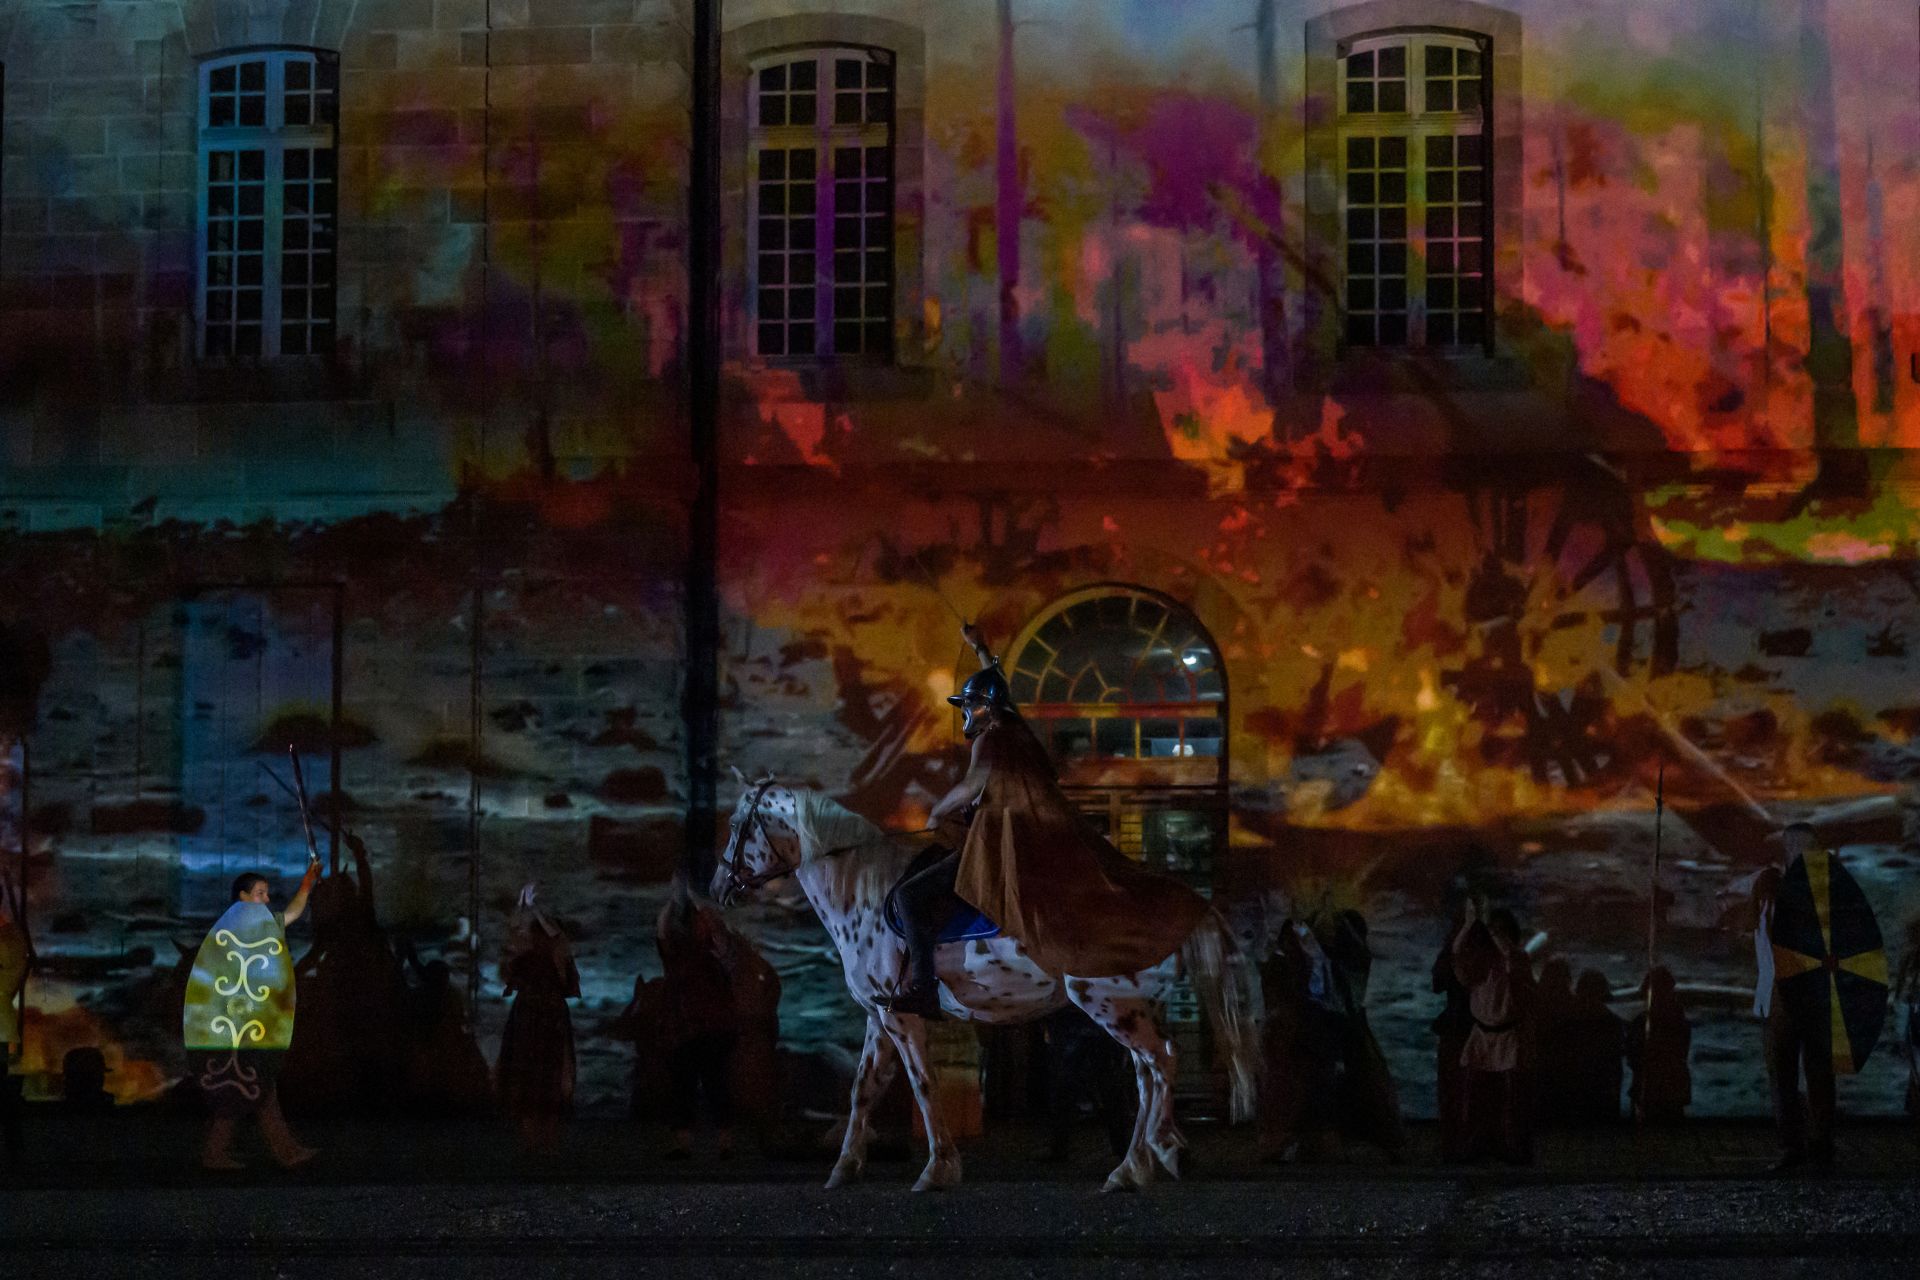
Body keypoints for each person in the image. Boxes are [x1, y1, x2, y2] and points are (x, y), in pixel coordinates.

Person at [877, 622, 1207, 1016]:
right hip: (1031, 842)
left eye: (969, 705)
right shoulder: (1018, 731)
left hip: (1001, 847)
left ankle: (924, 988)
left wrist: (937, 811)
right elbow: (1004, 691)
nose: (966, 712)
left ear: (984, 706)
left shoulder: (991, 737)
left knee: (908, 895)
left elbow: (972, 785)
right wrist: (981, 647)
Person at [189, 867, 320, 1171]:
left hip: (252, 1026)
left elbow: (291, 914)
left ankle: (281, 1151)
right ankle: (225, 1154)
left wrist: (306, 882)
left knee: (256, 1088)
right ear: (243, 897)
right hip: (236, 1027)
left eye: (266, 892)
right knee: (245, 1087)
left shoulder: (261, 928)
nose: (266, 898)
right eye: (260, 893)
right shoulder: (228, 934)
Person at [1749, 821, 1834, 1172]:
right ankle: (1798, 1144)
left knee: (1813, 1072)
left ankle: (1816, 1143)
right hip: (1782, 993)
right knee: (1786, 1072)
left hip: (1808, 992)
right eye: (1795, 844)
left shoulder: (1823, 888)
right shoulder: (1772, 886)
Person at [656, 877, 738, 1159]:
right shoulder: (680, 952)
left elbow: (724, 945)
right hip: (685, 1025)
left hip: (712, 1027)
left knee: (716, 1085)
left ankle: (725, 1144)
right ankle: (683, 1144)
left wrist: (698, 903)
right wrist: (673, 900)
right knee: (683, 1087)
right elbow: (664, 932)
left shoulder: (716, 951)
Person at [495, 884, 579, 1152]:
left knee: (548, 1075)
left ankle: (545, 1143)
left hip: (543, 1017)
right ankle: (533, 1143)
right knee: (530, 1076)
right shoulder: (530, 954)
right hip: (531, 1017)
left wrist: (532, 910)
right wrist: (525, 910)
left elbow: (556, 940)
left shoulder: (556, 952)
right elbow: (512, 947)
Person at [1452, 901, 1534, 1164]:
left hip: (1508, 1035)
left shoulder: (1517, 957)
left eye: (1499, 931)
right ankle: (1475, 1147)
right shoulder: (1481, 960)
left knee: (1512, 1101)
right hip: (1482, 1034)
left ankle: (1514, 1150)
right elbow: (1457, 957)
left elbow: (1511, 961)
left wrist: (1491, 930)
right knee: (1474, 1097)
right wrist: (1468, 926)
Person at [1430, 900, 1473, 1163]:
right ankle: (1458, 1144)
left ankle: (1456, 1144)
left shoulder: (1455, 949)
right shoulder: (1475, 949)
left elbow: (1438, 981)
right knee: (1458, 1089)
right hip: (1466, 1027)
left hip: (1462, 1027)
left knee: (1455, 1089)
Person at [1626, 966, 1691, 1124]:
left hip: (1648, 1092)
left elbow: (1633, 1058)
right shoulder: (1680, 1022)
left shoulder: (1641, 1023)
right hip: (1674, 1091)